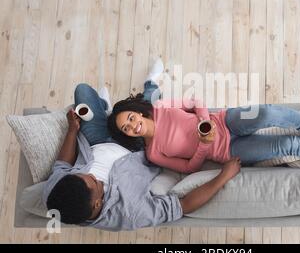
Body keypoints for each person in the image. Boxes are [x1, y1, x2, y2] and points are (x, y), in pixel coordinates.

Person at [44, 59, 241, 230]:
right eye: (94, 181)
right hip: (134, 149)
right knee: (147, 110)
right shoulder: (131, 213)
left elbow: (62, 164)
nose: (91, 174)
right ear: (97, 204)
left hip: (95, 143)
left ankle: (106, 109)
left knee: (83, 90)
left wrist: (72, 130)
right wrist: (224, 176)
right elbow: (185, 204)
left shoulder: (57, 191)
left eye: (81, 173)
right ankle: (151, 83)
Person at [108, 94, 300, 174]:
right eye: (127, 128)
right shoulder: (153, 153)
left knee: (269, 113)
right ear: (128, 135)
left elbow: (195, 101)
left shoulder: (161, 107)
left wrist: (202, 122)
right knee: (286, 145)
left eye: (131, 117)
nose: (133, 125)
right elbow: (188, 167)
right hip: (226, 152)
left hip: (224, 121)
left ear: (137, 110)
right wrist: (202, 146)